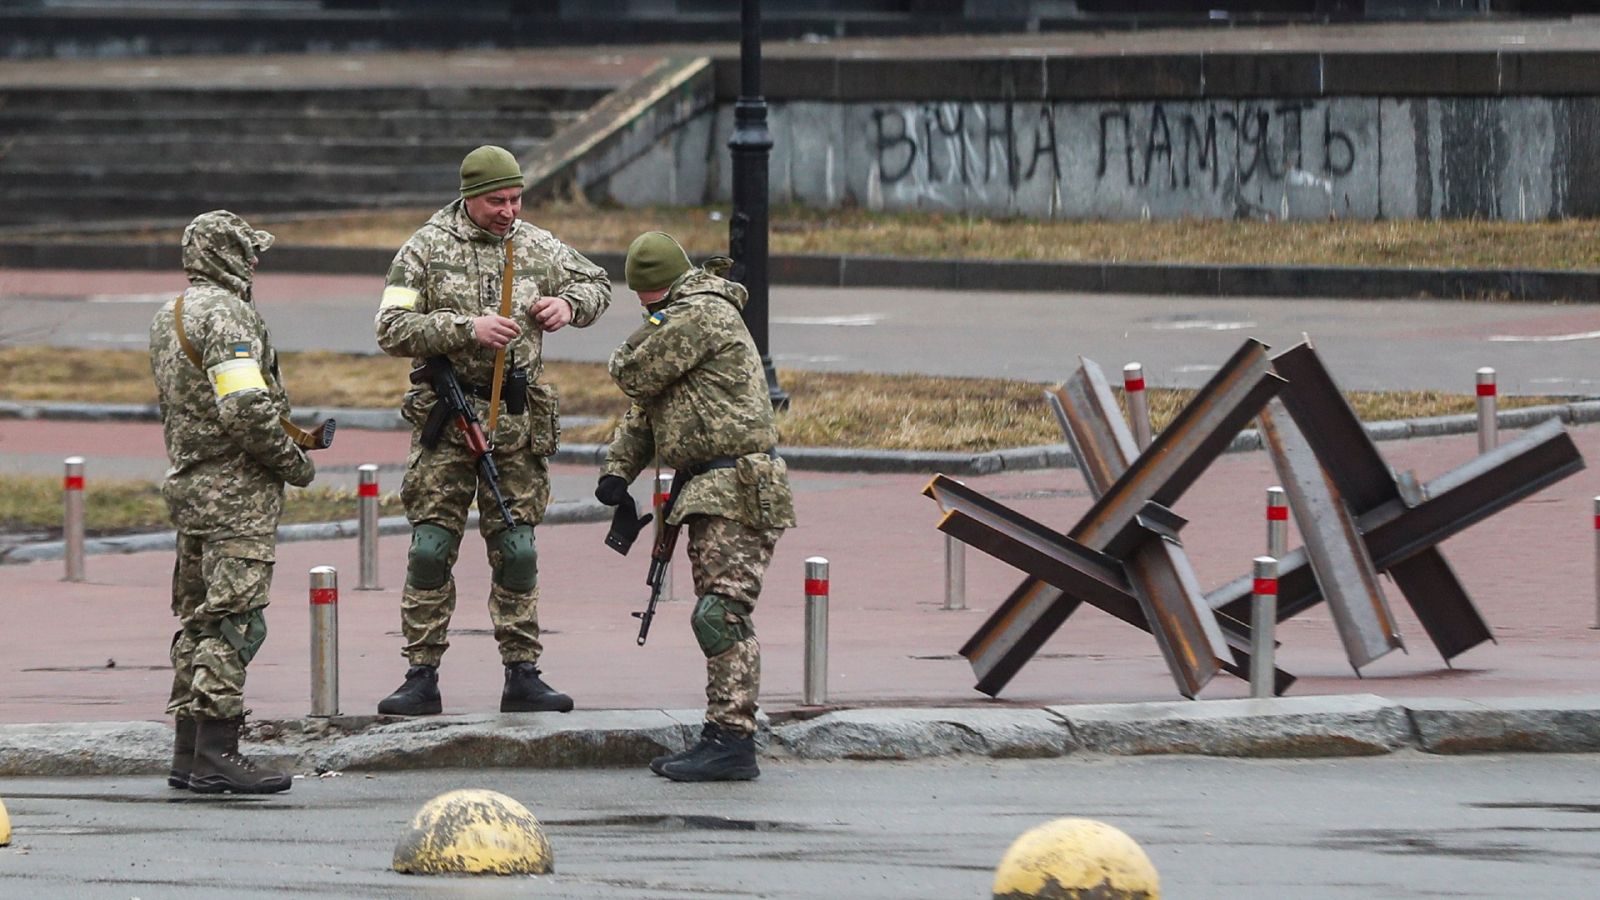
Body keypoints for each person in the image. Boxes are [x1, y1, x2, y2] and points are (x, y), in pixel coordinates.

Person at [374, 145, 611, 716]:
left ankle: (523, 673)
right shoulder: (425, 249)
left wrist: (568, 304)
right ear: (468, 197)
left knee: (517, 547)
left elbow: (599, 283)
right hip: (448, 421)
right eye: (496, 201)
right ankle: (420, 674)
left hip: (516, 424)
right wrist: (466, 328)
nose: (509, 210)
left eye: (515, 198)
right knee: (431, 548)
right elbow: (391, 327)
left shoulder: (534, 245)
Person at [595, 232, 796, 782]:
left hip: (737, 485)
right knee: (716, 610)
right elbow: (646, 406)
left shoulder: (700, 314)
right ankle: (721, 734)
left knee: (720, 614)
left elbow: (631, 369)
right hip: (710, 488)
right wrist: (618, 471)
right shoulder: (682, 318)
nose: (644, 311)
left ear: (653, 291)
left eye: (645, 302)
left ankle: (732, 740)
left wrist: (651, 325)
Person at [149, 210, 314, 794]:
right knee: (237, 621)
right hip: (235, 494)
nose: (254, 266)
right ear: (227, 256)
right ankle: (220, 753)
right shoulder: (229, 315)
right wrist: (294, 463)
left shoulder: (172, 314)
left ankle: (189, 752)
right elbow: (244, 407)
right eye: (249, 255)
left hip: (191, 486)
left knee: (197, 619)